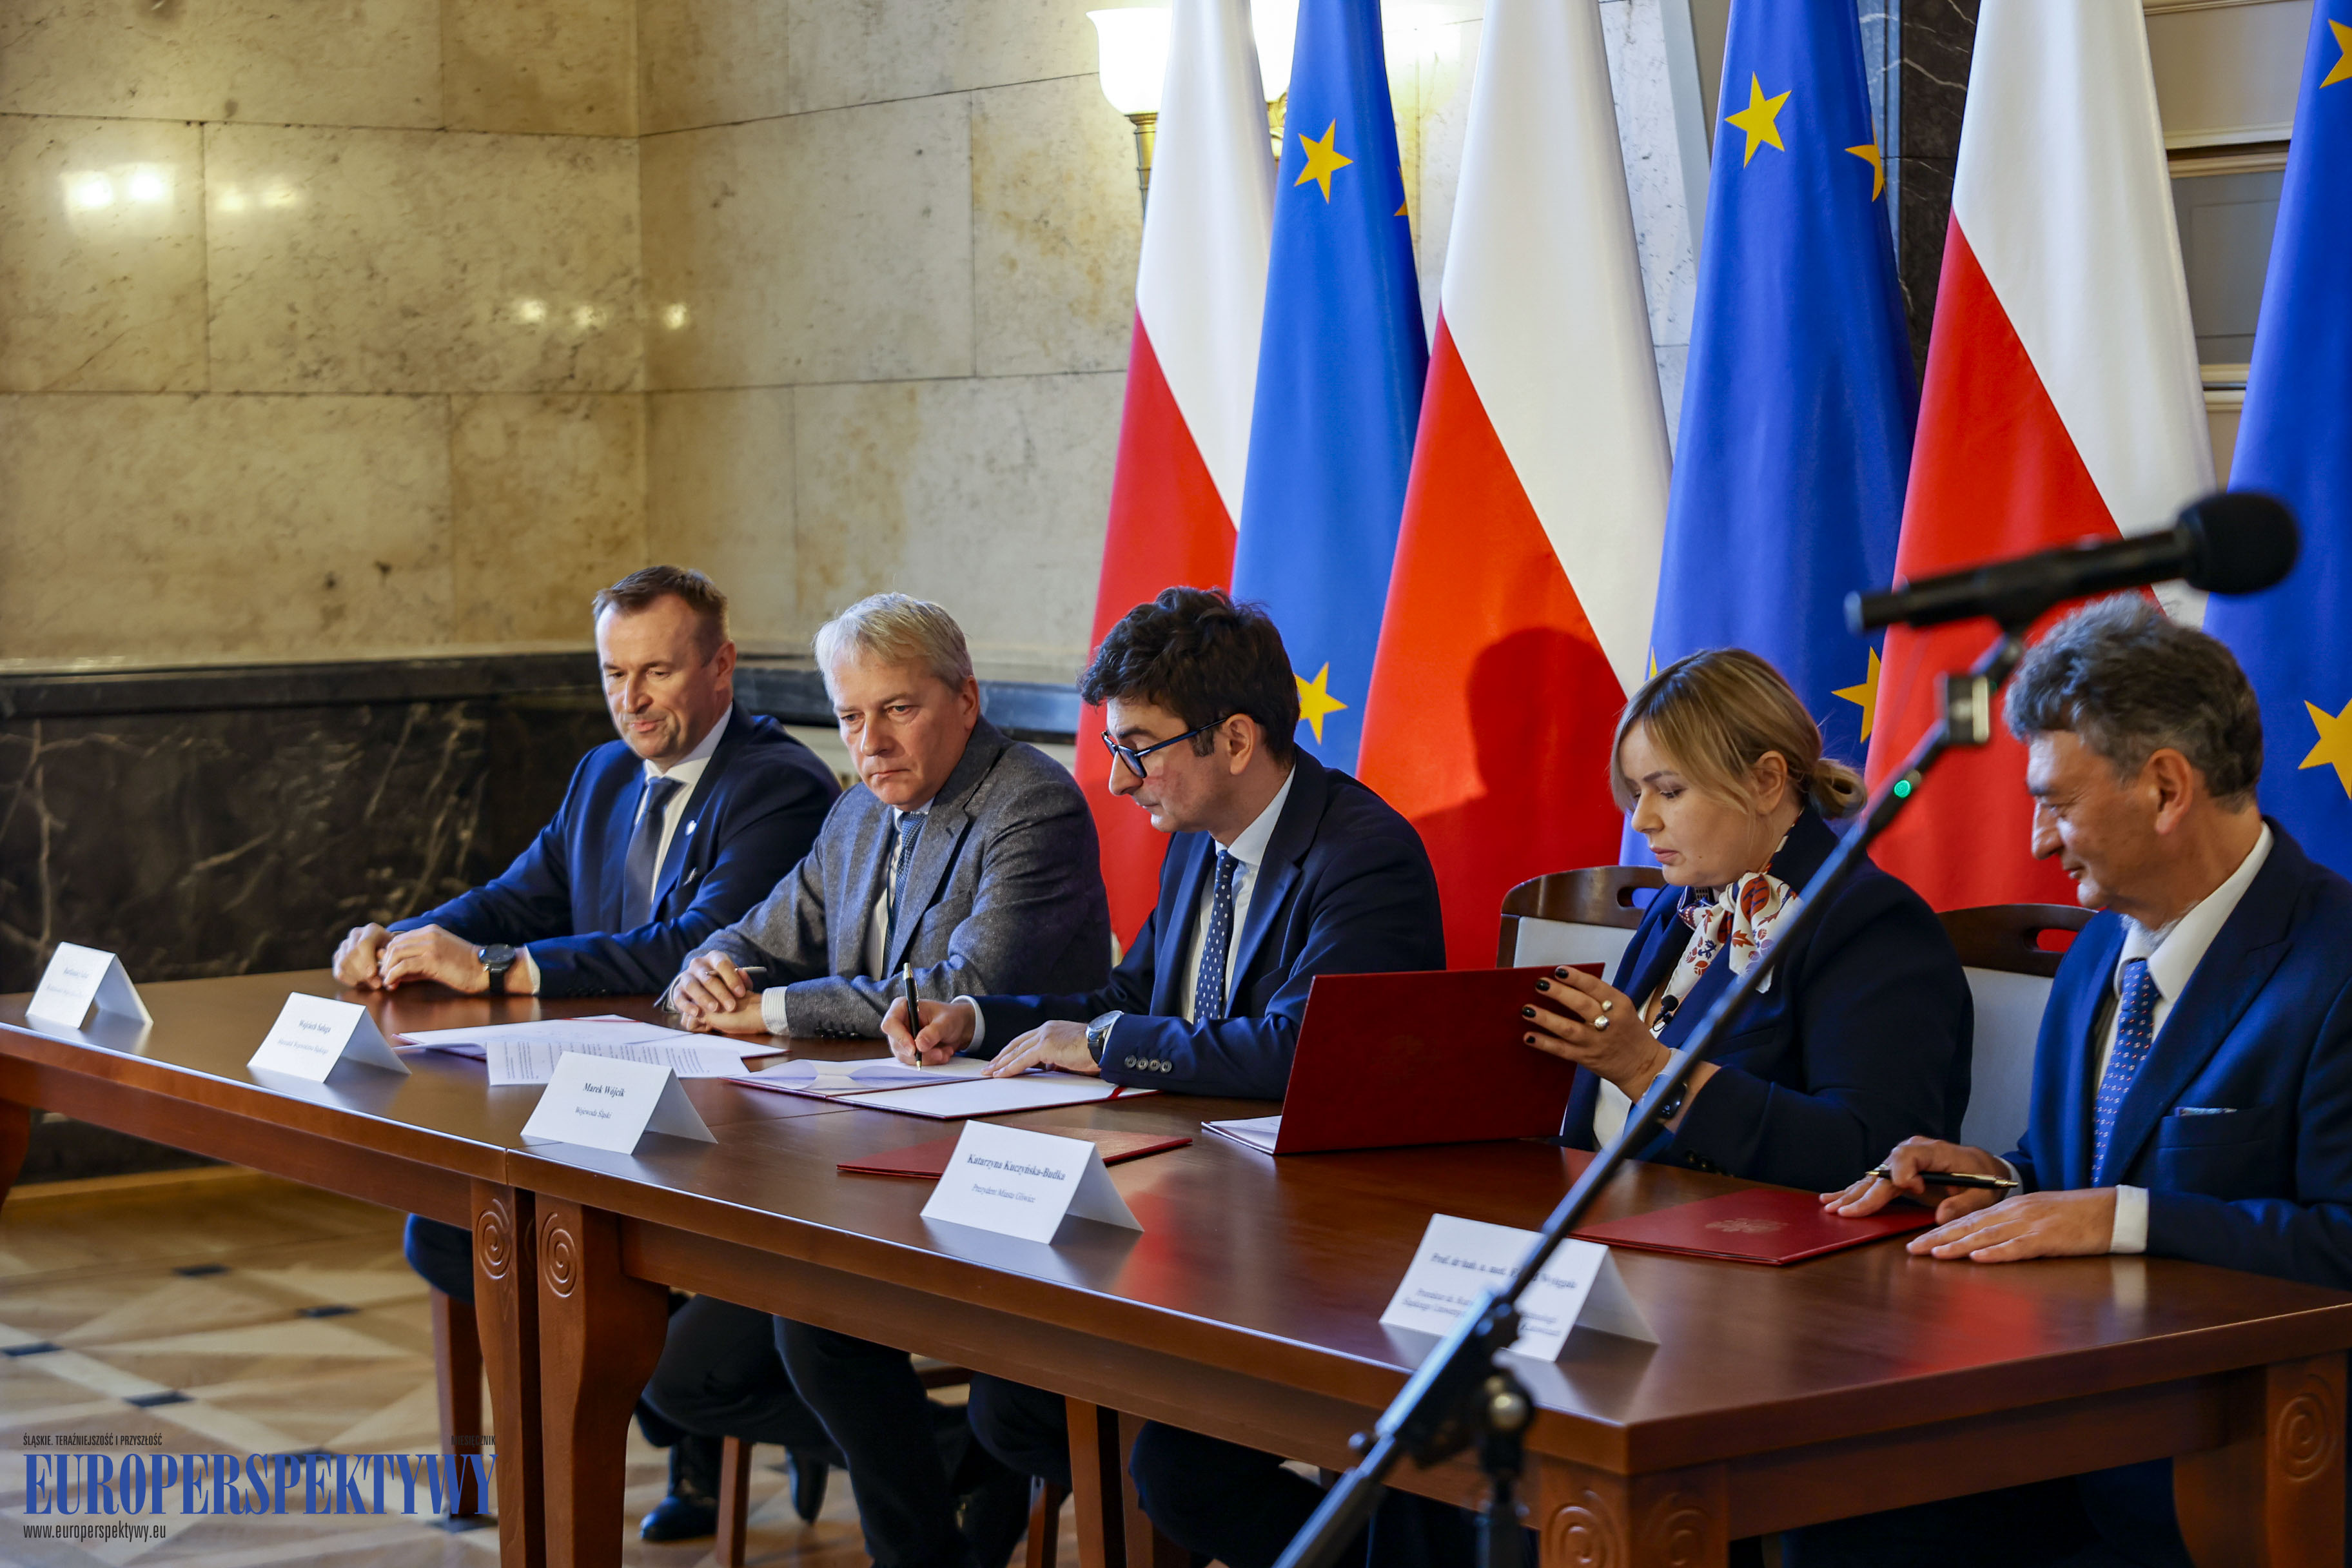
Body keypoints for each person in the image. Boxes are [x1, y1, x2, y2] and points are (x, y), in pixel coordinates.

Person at [883, 586, 1444, 1568]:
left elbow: (1299, 1049)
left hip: (1321, 1246)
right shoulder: (1200, 846)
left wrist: (1104, 1044)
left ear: (1234, 739)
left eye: (1136, 746)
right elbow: (1127, 996)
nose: (1114, 779)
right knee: (1015, 1408)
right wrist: (977, 1019)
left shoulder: (1363, 856)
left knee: (1177, 1470)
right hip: (1199, 1214)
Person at [1803, 598, 2352, 1568]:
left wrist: (2122, 1217)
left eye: (2056, 801)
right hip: (2050, 1425)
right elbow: (2081, 1163)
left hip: (2240, 1473)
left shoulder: (2334, 966)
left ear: (2166, 790)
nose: (2038, 842)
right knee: (1824, 1515)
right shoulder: (2103, 946)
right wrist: (1997, 1183)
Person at [331, 564, 839, 1540]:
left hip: (724, 1114)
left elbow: (690, 947)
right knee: (445, 1230)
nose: (630, 700)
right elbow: (517, 897)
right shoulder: (604, 772)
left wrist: (492, 967)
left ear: (722, 668)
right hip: (598, 1091)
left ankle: (702, 1437)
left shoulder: (777, 785)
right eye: (613, 674)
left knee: (585, 1252)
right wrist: (399, 940)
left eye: (656, 673)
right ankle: (659, 1414)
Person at [643, 591, 1115, 1568]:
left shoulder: (1030, 800)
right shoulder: (856, 811)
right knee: (682, 1376)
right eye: (851, 717)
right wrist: (710, 969)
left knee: (818, 1332)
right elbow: (762, 934)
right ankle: (967, 1463)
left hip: (1008, 1167)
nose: (871, 741)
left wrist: (768, 1011)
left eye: (897, 709)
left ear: (967, 698)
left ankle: (924, 1543)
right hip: (858, 1160)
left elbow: (961, 987)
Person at [1529, 647, 1973, 1192]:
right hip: (1608, 1224)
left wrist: (1649, 1070)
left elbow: (1877, 1156)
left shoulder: (1872, 922)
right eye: (1637, 793)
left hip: (1764, 1260)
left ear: (1766, 781)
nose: (1643, 820)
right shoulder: (1684, 900)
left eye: (1669, 791)